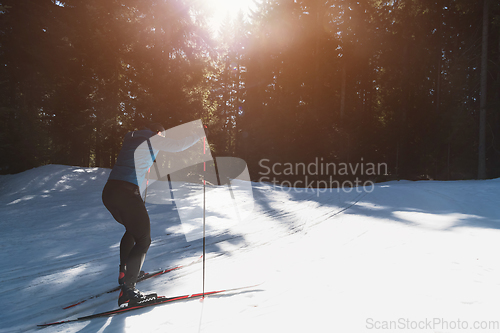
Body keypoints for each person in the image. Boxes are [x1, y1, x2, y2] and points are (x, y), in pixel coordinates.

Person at [102, 122, 203, 308]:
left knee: (132, 231)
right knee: (143, 238)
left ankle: (125, 273)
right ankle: (128, 291)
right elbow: (178, 146)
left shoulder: (132, 138)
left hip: (109, 192)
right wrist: (199, 135)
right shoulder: (153, 138)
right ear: (158, 133)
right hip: (126, 193)